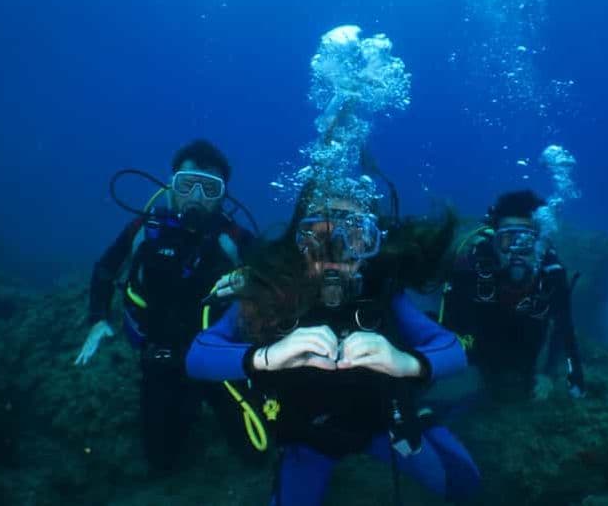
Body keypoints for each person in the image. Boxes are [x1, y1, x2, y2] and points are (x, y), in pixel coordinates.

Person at [186, 180, 480, 505]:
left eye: (353, 236)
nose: (335, 253)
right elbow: (198, 355)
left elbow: (453, 349)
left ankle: (426, 413)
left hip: (381, 424)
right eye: (319, 237)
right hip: (309, 440)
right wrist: (267, 356)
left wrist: (406, 362)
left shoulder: (382, 292)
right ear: (299, 242)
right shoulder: (274, 291)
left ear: (372, 243)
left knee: (462, 482)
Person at [74, 139, 258, 471]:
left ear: (222, 195)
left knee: (256, 452)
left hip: (221, 361)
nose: (198, 198)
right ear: (171, 185)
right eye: (188, 185)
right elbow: (105, 268)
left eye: (210, 189)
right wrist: (98, 319)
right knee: (161, 461)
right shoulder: (144, 228)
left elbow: (276, 271)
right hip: (160, 360)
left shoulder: (232, 236)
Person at [438, 190, 585, 401]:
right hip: (480, 344)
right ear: (494, 237)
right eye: (508, 239)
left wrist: (547, 373)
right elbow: (450, 322)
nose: (516, 251)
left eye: (526, 240)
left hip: (526, 349)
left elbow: (563, 328)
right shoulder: (470, 266)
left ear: (540, 241)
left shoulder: (552, 274)